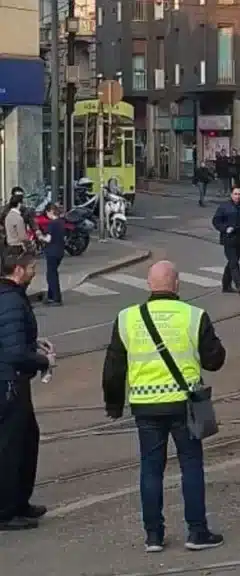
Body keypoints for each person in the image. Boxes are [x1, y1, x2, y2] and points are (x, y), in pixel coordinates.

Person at [101, 260, 227, 551]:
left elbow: (113, 367)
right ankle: (197, 532)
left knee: (150, 469)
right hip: (185, 405)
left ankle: (153, 536)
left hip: (145, 406)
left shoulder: (126, 318)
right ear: (177, 284)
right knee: (191, 466)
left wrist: (114, 404)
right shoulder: (194, 316)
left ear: (148, 285)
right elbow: (215, 360)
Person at [0, 250, 51, 531]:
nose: (34, 272)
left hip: (11, 380)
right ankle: (6, 510)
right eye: (31, 267)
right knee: (12, 445)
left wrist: (35, 342)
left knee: (27, 439)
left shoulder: (10, 297)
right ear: (18, 270)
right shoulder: (10, 300)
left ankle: (19, 501)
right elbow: (15, 351)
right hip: (9, 383)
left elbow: (13, 337)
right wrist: (43, 361)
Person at [211, 187, 240, 294]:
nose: (237, 196)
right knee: (234, 262)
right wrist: (225, 228)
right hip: (228, 239)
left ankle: (226, 286)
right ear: (231, 195)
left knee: (232, 262)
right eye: (235, 194)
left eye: (239, 194)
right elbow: (216, 221)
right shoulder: (224, 207)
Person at [40, 203, 66, 306]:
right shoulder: (61, 222)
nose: (47, 215)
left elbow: (48, 239)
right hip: (59, 251)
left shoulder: (52, 224)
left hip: (52, 252)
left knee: (51, 275)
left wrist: (41, 237)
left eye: (47, 213)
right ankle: (51, 296)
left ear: (50, 212)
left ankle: (56, 298)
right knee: (52, 273)